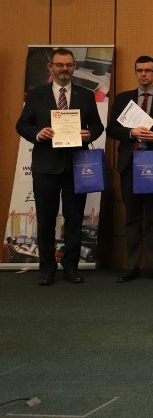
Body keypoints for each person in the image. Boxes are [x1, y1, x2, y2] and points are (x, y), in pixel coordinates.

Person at [15, 48, 104, 286]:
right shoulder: (36, 95)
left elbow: (98, 126)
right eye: (60, 65)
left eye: (69, 65)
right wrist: (37, 133)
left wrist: (89, 133)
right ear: (51, 68)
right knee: (45, 219)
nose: (64, 69)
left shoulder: (86, 95)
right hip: (46, 166)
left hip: (77, 166)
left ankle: (71, 267)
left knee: (74, 219)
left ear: (74, 67)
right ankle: (47, 268)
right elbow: (21, 125)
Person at [106, 55, 153, 283]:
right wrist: (131, 133)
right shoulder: (123, 98)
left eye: (148, 70)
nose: (144, 74)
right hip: (130, 163)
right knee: (133, 217)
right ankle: (132, 266)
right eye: (140, 70)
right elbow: (111, 130)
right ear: (135, 73)